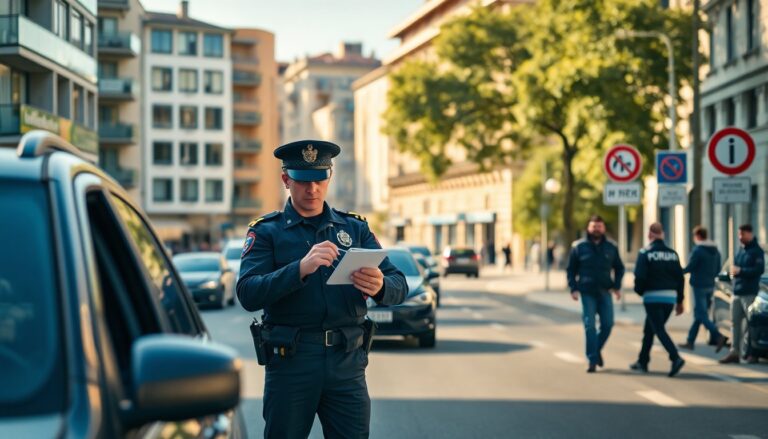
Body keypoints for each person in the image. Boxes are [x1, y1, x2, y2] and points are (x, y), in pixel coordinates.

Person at [236, 140, 408, 438]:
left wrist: (380, 286)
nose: (312, 189)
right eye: (303, 181)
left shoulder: (355, 229)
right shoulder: (267, 231)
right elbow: (248, 293)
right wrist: (299, 269)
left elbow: (399, 285)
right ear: (286, 180)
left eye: (319, 179)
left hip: (347, 362)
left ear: (329, 178)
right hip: (291, 362)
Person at [566, 215, 625, 373]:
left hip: (605, 291)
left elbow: (619, 268)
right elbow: (571, 269)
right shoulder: (579, 246)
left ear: (603, 228)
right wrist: (573, 288)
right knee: (589, 325)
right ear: (588, 228)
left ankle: (595, 350)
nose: (596, 229)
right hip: (587, 292)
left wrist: (617, 286)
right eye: (594, 226)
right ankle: (592, 360)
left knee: (608, 324)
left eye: (599, 226)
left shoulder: (611, 246)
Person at [629, 223, 686, 377]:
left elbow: (639, 276)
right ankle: (642, 361)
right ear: (663, 235)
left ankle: (675, 357)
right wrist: (680, 300)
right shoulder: (673, 254)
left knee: (658, 329)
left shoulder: (645, 252)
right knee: (649, 329)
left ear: (649, 235)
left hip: (652, 297)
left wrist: (640, 292)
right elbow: (680, 279)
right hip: (670, 299)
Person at [720, 224, 765, 364]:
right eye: (739, 234)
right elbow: (735, 269)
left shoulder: (756, 251)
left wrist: (742, 271)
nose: (740, 237)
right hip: (736, 292)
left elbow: (759, 270)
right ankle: (734, 352)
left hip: (749, 293)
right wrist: (731, 273)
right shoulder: (740, 250)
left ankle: (752, 353)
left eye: (743, 235)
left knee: (750, 325)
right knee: (735, 324)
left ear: (750, 234)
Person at [679, 226, 728, 351]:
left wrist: (678, 272)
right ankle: (690, 341)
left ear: (698, 236)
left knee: (701, 314)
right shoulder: (716, 251)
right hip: (710, 286)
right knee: (700, 314)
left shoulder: (698, 251)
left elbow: (690, 267)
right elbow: (718, 269)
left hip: (699, 286)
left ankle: (717, 335)